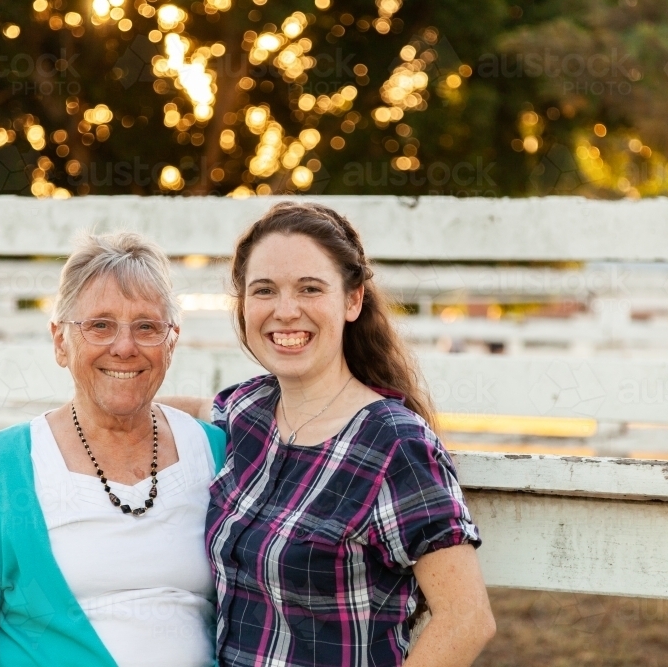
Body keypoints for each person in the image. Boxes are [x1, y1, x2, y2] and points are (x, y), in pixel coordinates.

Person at [166, 201, 495, 667]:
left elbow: (466, 619)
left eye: (309, 289)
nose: (285, 311)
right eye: (264, 291)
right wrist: (85, 416)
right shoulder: (247, 410)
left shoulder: (395, 445)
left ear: (352, 300)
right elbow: (188, 409)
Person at [0, 232, 226, 667]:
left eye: (146, 327)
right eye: (100, 325)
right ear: (60, 341)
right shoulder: (4, 468)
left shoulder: (216, 454)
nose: (124, 347)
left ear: (172, 342)